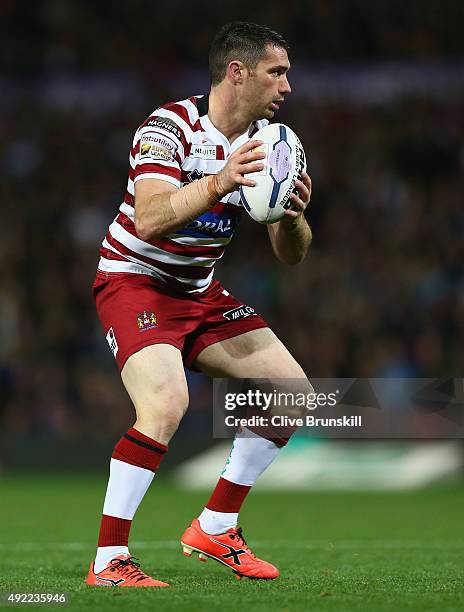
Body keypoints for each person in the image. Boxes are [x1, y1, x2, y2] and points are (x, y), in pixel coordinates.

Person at [86, 21, 313, 588]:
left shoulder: (271, 141)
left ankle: (216, 525)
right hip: (134, 280)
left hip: (197, 290)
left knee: (297, 398)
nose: (287, 85)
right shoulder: (169, 128)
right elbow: (150, 217)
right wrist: (218, 181)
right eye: (276, 72)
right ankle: (109, 561)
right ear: (237, 73)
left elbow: (292, 256)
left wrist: (293, 215)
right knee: (165, 404)